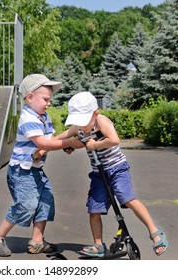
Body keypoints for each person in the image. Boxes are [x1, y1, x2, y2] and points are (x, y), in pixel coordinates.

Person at [64, 91, 168, 257]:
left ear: (95, 113)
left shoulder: (101, 121)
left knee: (127, 198)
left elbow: (114, 139)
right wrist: (53, 146)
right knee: (94, 208)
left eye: (84, 121)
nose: (81, 126)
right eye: (78, 122)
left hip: (117, 168)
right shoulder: (79, 127)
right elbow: (61, 138)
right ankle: (98, 245)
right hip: (98, 173)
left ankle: (155, 233)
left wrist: (94, 146)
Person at [0, 74, 83, 257]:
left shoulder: (42, 116)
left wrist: (68, 139)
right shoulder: (28, 118)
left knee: (46, 201)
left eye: (50, 99)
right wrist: (69, 142)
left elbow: (50, 140)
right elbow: (43, 144)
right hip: (21, 171)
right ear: (30, 97)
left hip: (35, 170)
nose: (48, 103)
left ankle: (37, 242)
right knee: (26, 205)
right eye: (45, 99)